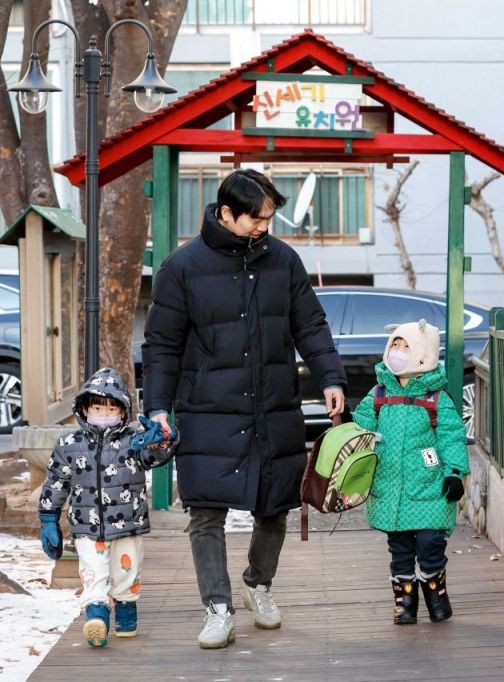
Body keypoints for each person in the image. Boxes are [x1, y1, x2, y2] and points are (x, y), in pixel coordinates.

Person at [142, 168, 347, 649]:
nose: (263, 228)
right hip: (207, 410)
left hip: (273, 406)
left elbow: (310, 324)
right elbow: (162, 345)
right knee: (205, 512)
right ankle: (217, 608)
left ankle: (258, 584)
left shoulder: (284, 260)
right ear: (226, 212)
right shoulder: (181, 267)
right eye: (256, 219)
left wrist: (331, 377)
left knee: (275, 507)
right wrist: (158, 407)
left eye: (269, 219)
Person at [38, 367, 178, 648]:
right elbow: (56, 482)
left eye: (111, 408)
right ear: (85, 408)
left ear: (123, 411)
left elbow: (157, 456)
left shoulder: (134, 441)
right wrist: (48, 518)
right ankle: (97, 619)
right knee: (93, 573)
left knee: (127, 573)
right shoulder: (69, 444)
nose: (104, 413)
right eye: (98, 407)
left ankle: (126, 615)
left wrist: (165, 438)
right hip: (86, 527)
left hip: (128, 524)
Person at [350, 319, 468, 625]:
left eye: (406, 347)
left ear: (424, 353)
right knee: (400, 548)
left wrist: (454, 472)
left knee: (430, 543)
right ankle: (405, 602)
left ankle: (435, 592)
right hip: (390, 488)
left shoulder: (436, 398)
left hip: (429, 487)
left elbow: (451, 436)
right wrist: (346, 427)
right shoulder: (378, 394)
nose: (398, 352)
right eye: (395, 345)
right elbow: (361, 429)